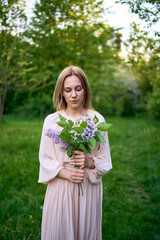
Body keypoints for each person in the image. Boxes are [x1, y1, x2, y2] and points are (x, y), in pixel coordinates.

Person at [38, 66, 112, 240]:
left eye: (78, 89)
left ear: (85, 90)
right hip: (61, 188)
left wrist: (88, 161)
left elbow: (105, 158)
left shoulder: (96, 120)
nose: (74, 95)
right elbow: (45, 158)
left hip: (87, 188)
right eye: (68, 90)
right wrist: (67, 174)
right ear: (61, 92)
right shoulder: (52, 121)